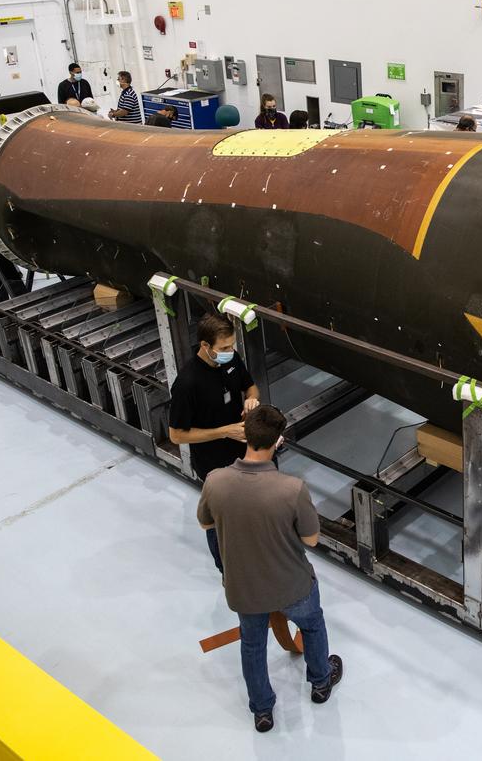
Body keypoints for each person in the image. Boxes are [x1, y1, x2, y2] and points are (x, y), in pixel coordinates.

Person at [197, 405, 344, 733]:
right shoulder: (291, 489)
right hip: (291, 584)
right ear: (278, 441)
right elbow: (312, 539)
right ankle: (321, 682)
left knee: (251, 644)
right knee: (312, 625)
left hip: (244, 588)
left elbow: (206, 522)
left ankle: (262, 710)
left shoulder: (216, 481)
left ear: (244, 433)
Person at [168, 312, 260, 570]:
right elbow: (176, 434)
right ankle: (226, 570)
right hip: (213, 463)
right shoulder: (187, 384)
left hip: (241, 451)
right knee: (219, 520)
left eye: (232, 345)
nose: (230, 351)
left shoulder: (231, 360)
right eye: (224, 348)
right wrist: (224, 431)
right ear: (205, 346)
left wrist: (252, 399)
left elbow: (251, 387)